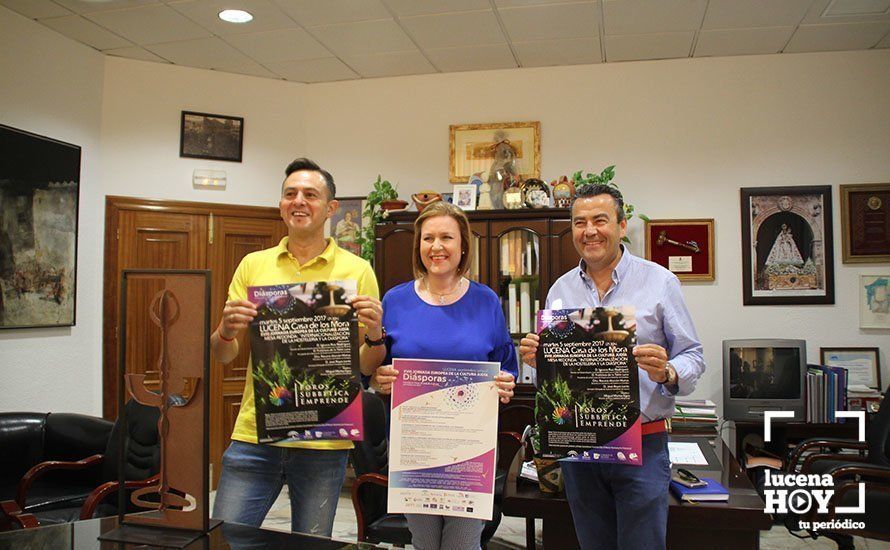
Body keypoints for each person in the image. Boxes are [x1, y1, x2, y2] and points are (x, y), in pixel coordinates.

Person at [519, 184, 705, 550]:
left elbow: (693, 356)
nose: (589, 231)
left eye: (600, 220)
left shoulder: (660, 282)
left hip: (642, 444)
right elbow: (561, 377)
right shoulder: (560, 290)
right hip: (579, 447)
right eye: (579, 222)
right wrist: (537, 359)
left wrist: (666, 372)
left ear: (621, 225)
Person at [210, 158, 387, 536]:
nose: (299, 201)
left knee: (310, 544)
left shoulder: (357, 270)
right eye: (290, 194)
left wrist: (375, 334)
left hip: (324, 441)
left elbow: (366, 365)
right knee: (224, 539)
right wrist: (225, 330)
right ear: (281, 205)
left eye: (310, 194)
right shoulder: (252, 265)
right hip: (255, 435)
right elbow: (223, 353)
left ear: (331, 208)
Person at [370, 200, 518, 550]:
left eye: (446, 238)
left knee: (463, 543)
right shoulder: (395, 300)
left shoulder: (486, 302)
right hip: (415, 446)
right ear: (418, 245)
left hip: (470, 448)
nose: (436, 247)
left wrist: (505, 384)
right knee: (423, 541)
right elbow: (377, 369)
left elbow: (506, 366)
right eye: (428, 238)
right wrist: (381, 378)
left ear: (463, 245)